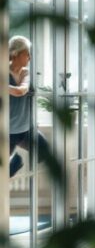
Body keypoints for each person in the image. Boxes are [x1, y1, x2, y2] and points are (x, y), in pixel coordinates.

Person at [8, 35, 49, 177]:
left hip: (26, 130)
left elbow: (21, 91)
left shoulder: (26, 73)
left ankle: (15, 161)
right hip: (7, 133)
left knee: (46, 153)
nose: (30, 57)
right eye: (27, 54)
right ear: (15, 54)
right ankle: (15, 161)